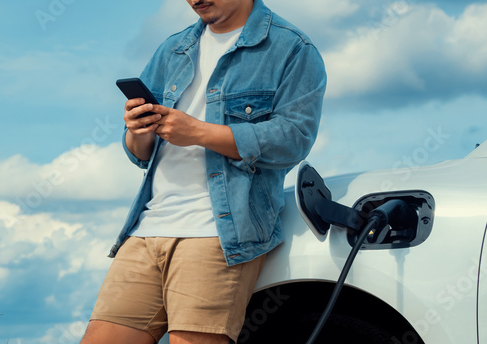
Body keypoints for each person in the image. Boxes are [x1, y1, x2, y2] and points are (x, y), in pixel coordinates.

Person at [81, 0, 326, 343]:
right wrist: (138, 131)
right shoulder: (174, 48)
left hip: (218, 234)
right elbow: (139, 154)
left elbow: (293, 139)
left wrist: (196, 132)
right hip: (146, 229)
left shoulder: (292, 48)